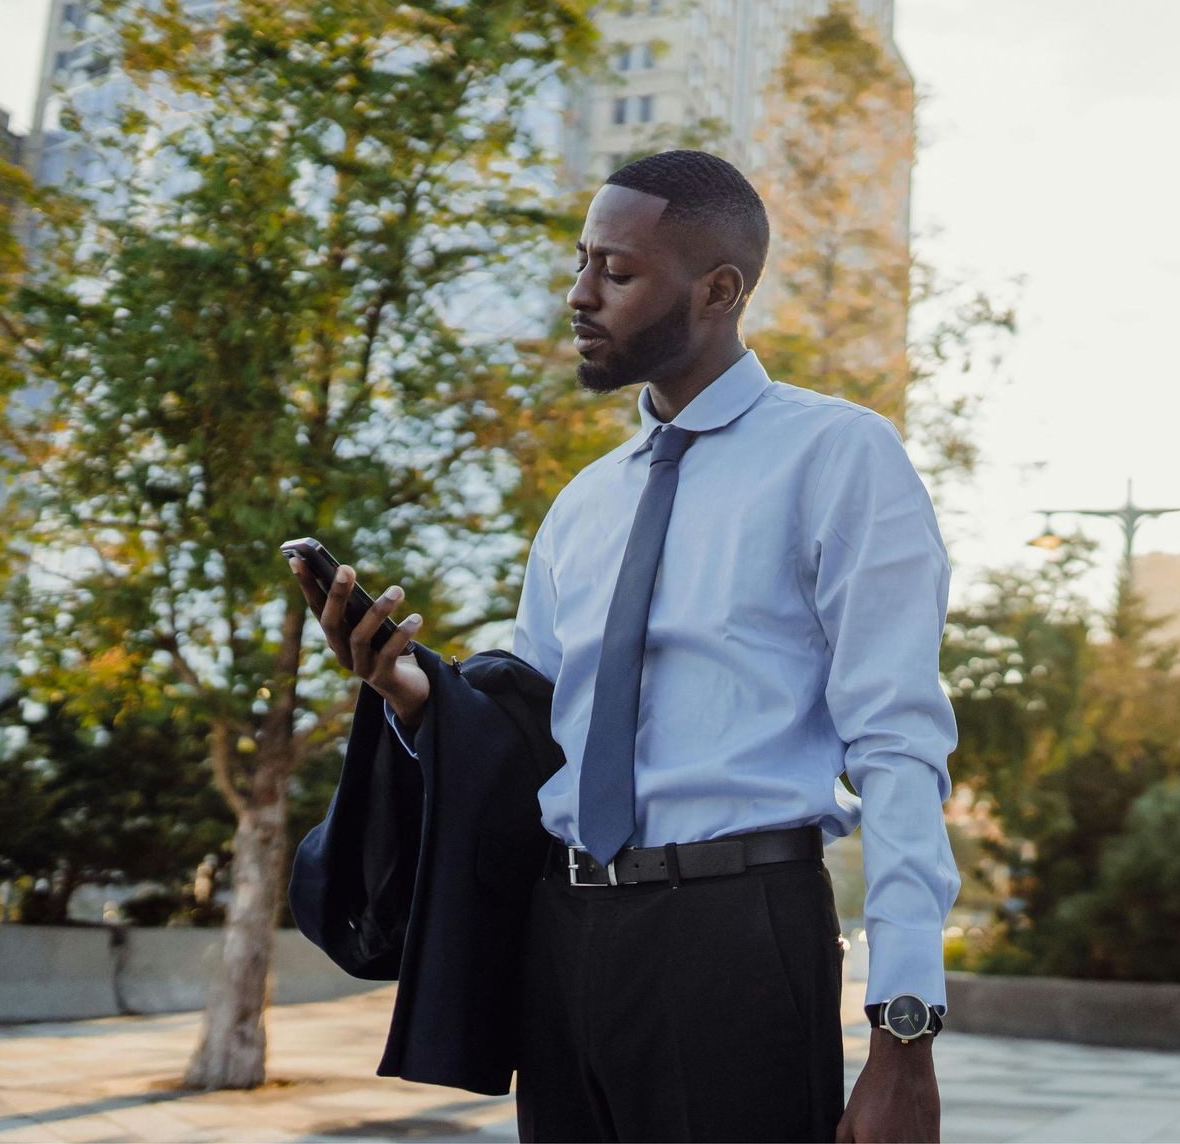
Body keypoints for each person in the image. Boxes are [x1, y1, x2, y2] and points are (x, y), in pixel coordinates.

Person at [288, 149, 960, 1143]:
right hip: (562, 941)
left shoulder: (839, 455)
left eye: (618, 270)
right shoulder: (583, 503)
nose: (579, 294)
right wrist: (412, 690)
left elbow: (900, 744)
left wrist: (905, 1029)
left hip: (738, 933)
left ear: (720, 290)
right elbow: (531, 746)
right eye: (580, 261)